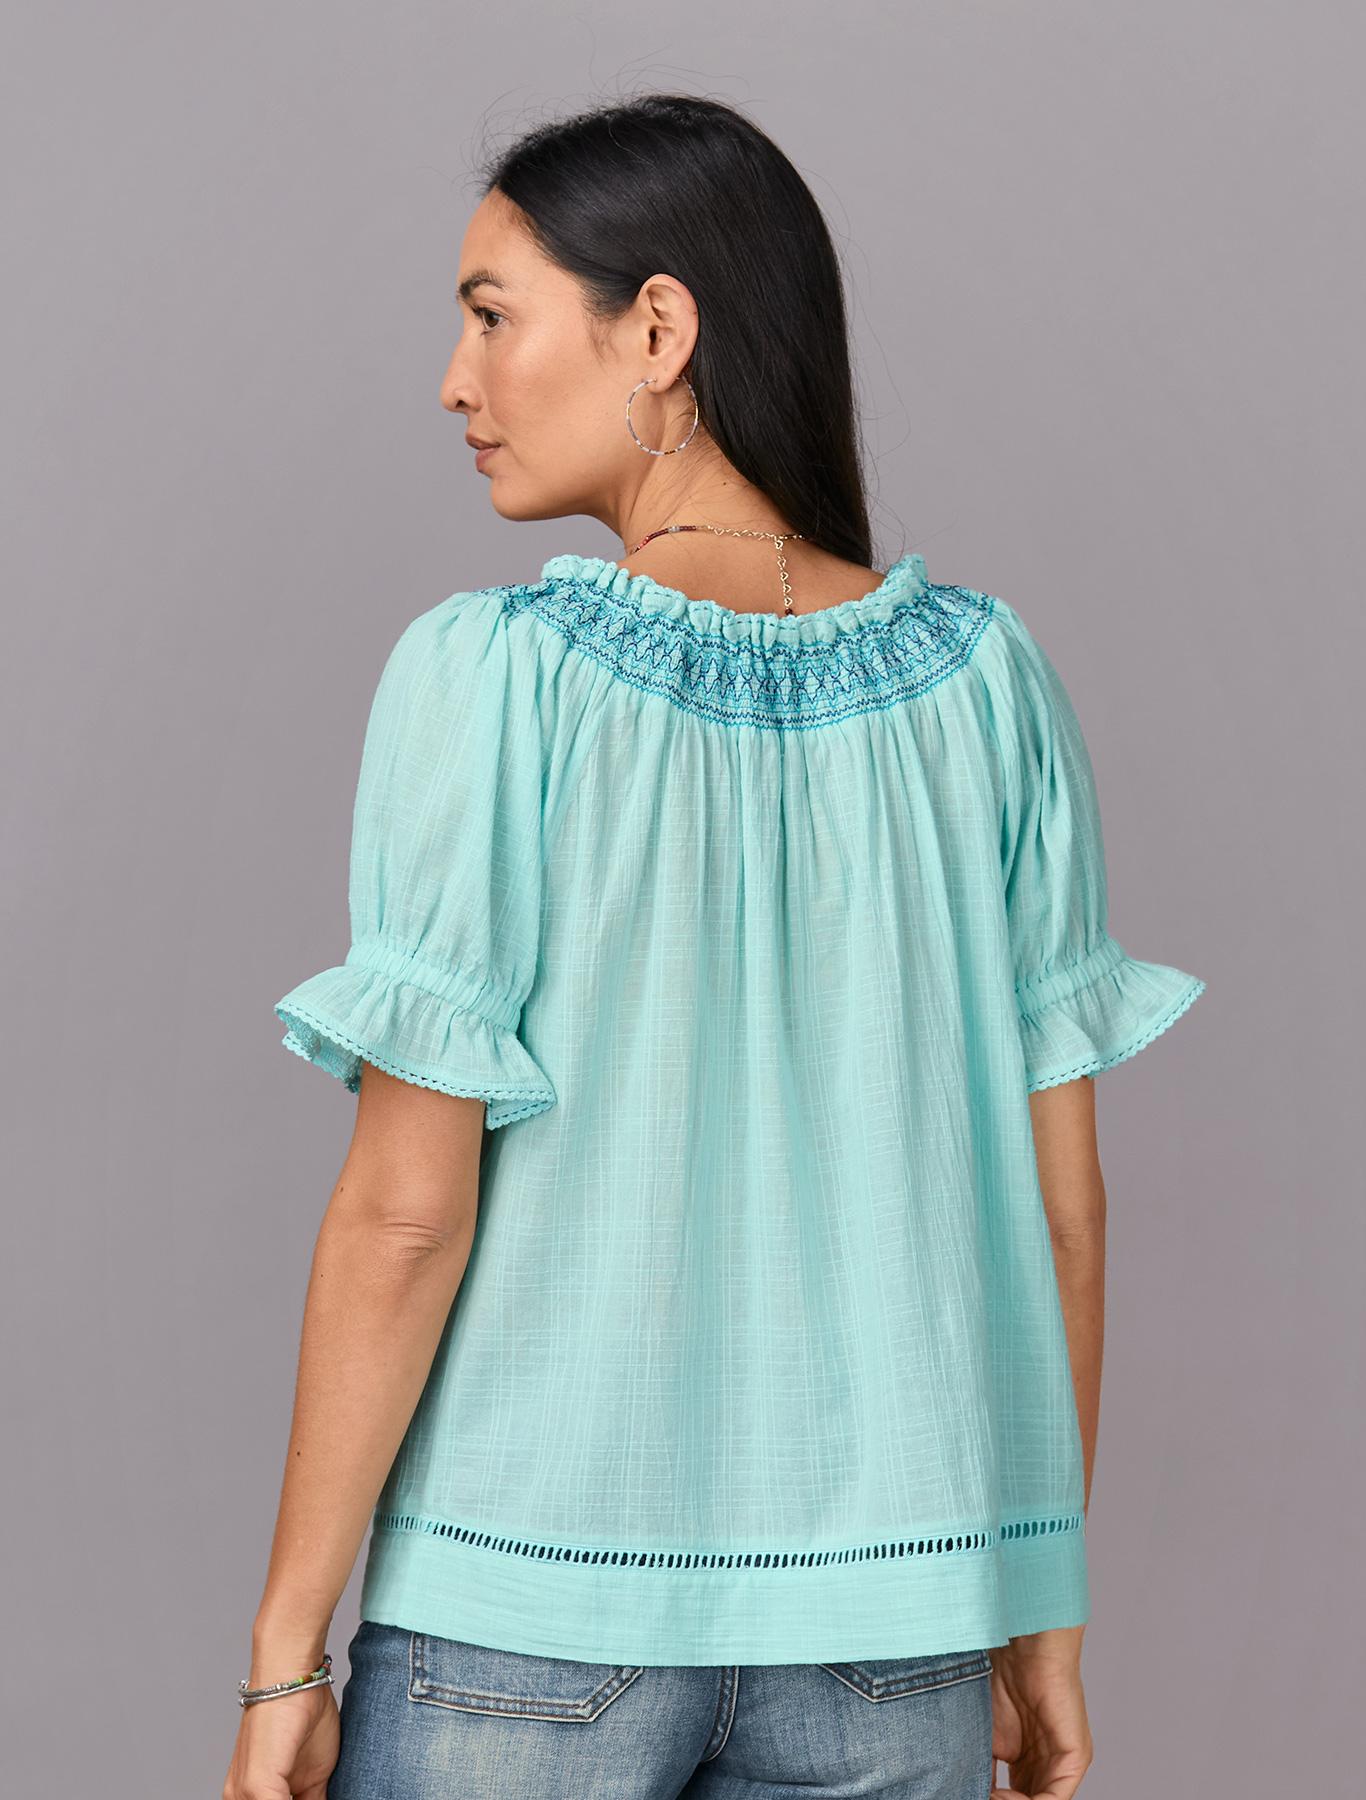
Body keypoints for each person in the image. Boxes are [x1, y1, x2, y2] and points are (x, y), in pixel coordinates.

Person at [222, 93, 1204, 1800]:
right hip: (899, 1635)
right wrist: (1040, 1622)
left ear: (659, 330)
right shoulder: (992, 691)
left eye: (491, 316)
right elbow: (1061, 1214)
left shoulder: (493, 682)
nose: (455, 380)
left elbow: (404, 1214)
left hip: (523, 1621)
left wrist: (286, 1655)